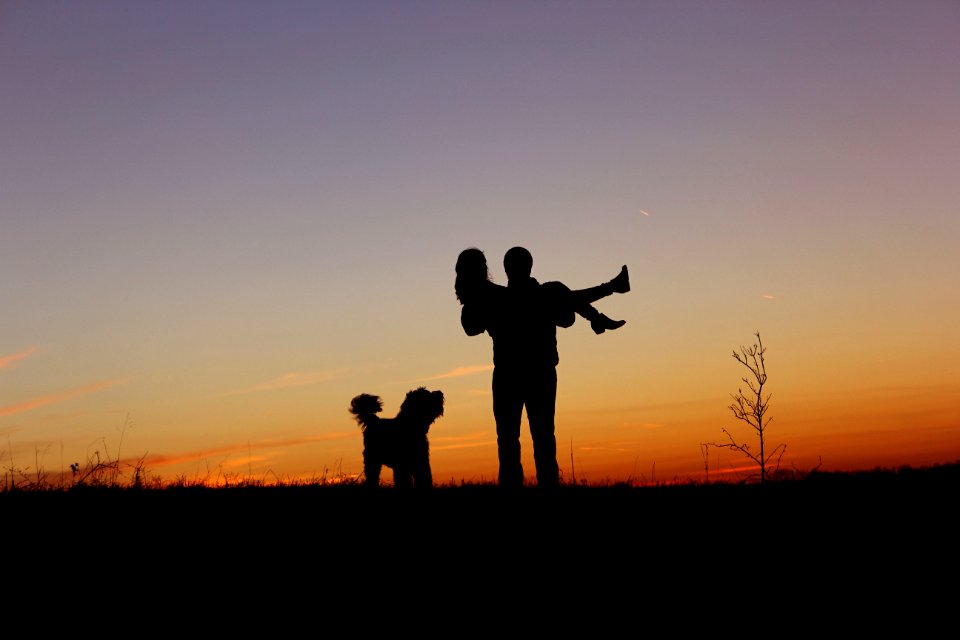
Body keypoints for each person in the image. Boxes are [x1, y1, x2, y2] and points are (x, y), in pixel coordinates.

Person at [456, 246, 630, 487]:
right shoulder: (537, 293)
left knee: (509, 442)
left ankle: (601, 311)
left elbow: (470, 326)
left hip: (510, 376)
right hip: (539, 374)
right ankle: (601, 312)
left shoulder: (495, 297)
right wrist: (607, 290)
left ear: (507, 269)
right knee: (542, 439)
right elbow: (568, 310)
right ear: (529, 266)